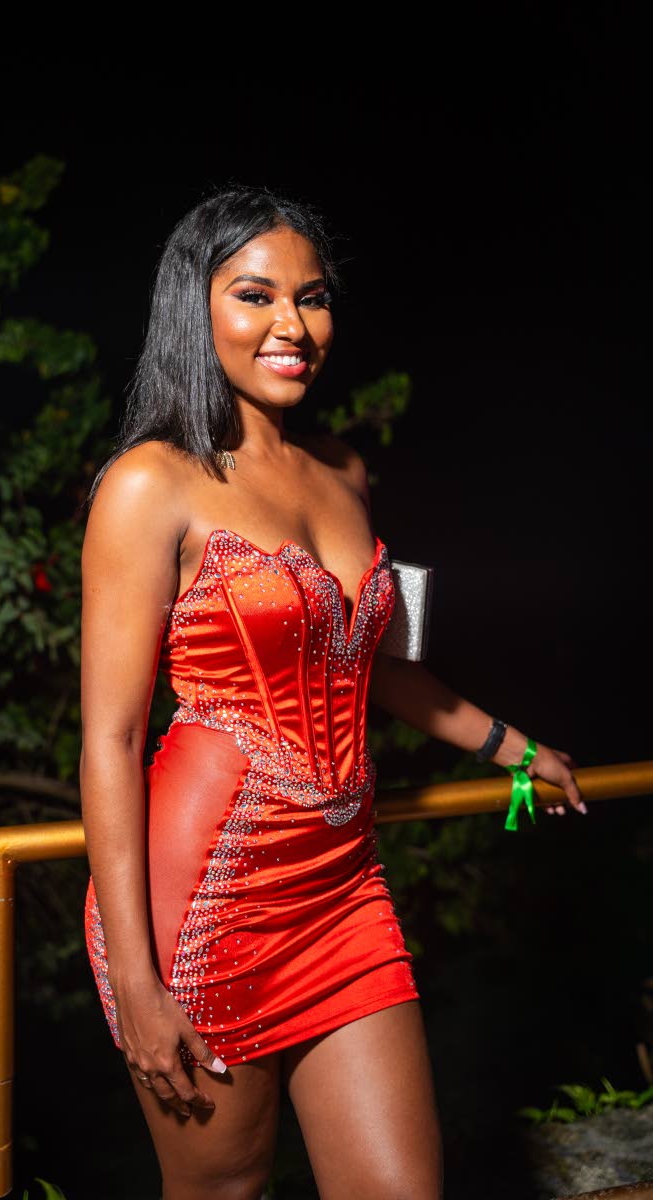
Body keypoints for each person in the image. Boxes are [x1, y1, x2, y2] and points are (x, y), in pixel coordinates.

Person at [79, 184, 585, 1200]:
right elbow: (110, 736)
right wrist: (135, 980)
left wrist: (512, 748)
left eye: (309, 299)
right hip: (202, 899)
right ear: (196, 305)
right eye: (254, 296)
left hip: (343, 886)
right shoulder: (149, 484)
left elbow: (384, 668)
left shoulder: (344, 473)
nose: (288, 326)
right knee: (225, 1189)